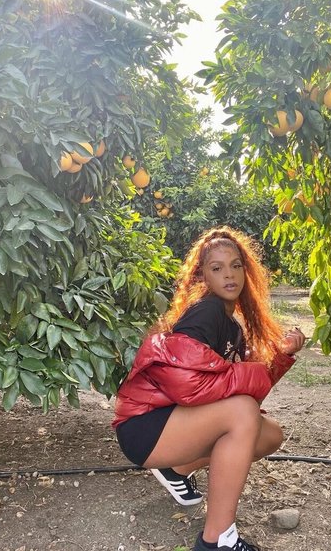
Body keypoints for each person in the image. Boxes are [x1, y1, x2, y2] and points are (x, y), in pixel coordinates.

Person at [113, 226, 306, 551]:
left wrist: (280, 358)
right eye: (217, 268)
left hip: (172, 424)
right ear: (203, 276)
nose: (229, 274)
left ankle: (176, 470)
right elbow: (186, 385)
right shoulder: (207, 311)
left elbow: (240, 390)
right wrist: (250, 374)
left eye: (236, 265)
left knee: (268, 434)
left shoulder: (231, 325)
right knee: (243, 413)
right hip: (145, 426)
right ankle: (216, 540)